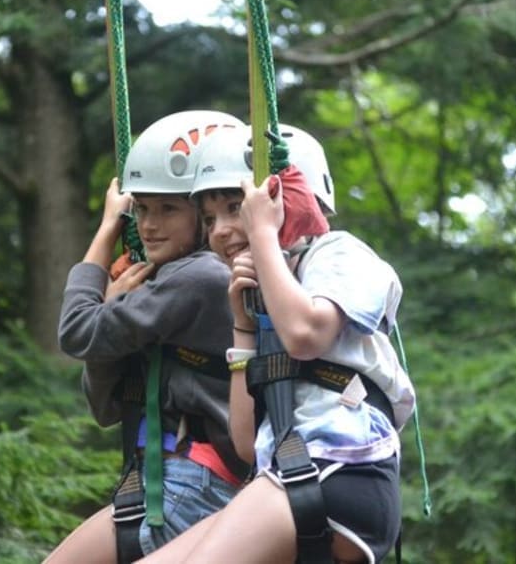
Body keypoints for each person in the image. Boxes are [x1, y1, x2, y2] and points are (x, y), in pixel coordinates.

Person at [139, 125, 416, 564]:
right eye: (210, 219)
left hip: (342, 466)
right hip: (288, 474)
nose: (220, 231)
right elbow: (246, 442)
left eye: (236, 208)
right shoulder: (267, 301)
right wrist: (244, 326)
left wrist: (264, 237)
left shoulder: (340, 254)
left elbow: (307, 335)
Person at [43, 110, 249, 564]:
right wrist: (112, 309)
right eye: (140, 209)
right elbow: (106, 407)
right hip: (174, 480)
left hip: (192, 483)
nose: (150, 225)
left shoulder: (200, 277)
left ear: (203, 214)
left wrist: (106, 231)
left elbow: (74, 332)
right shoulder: (166, 284)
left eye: (168, 209)